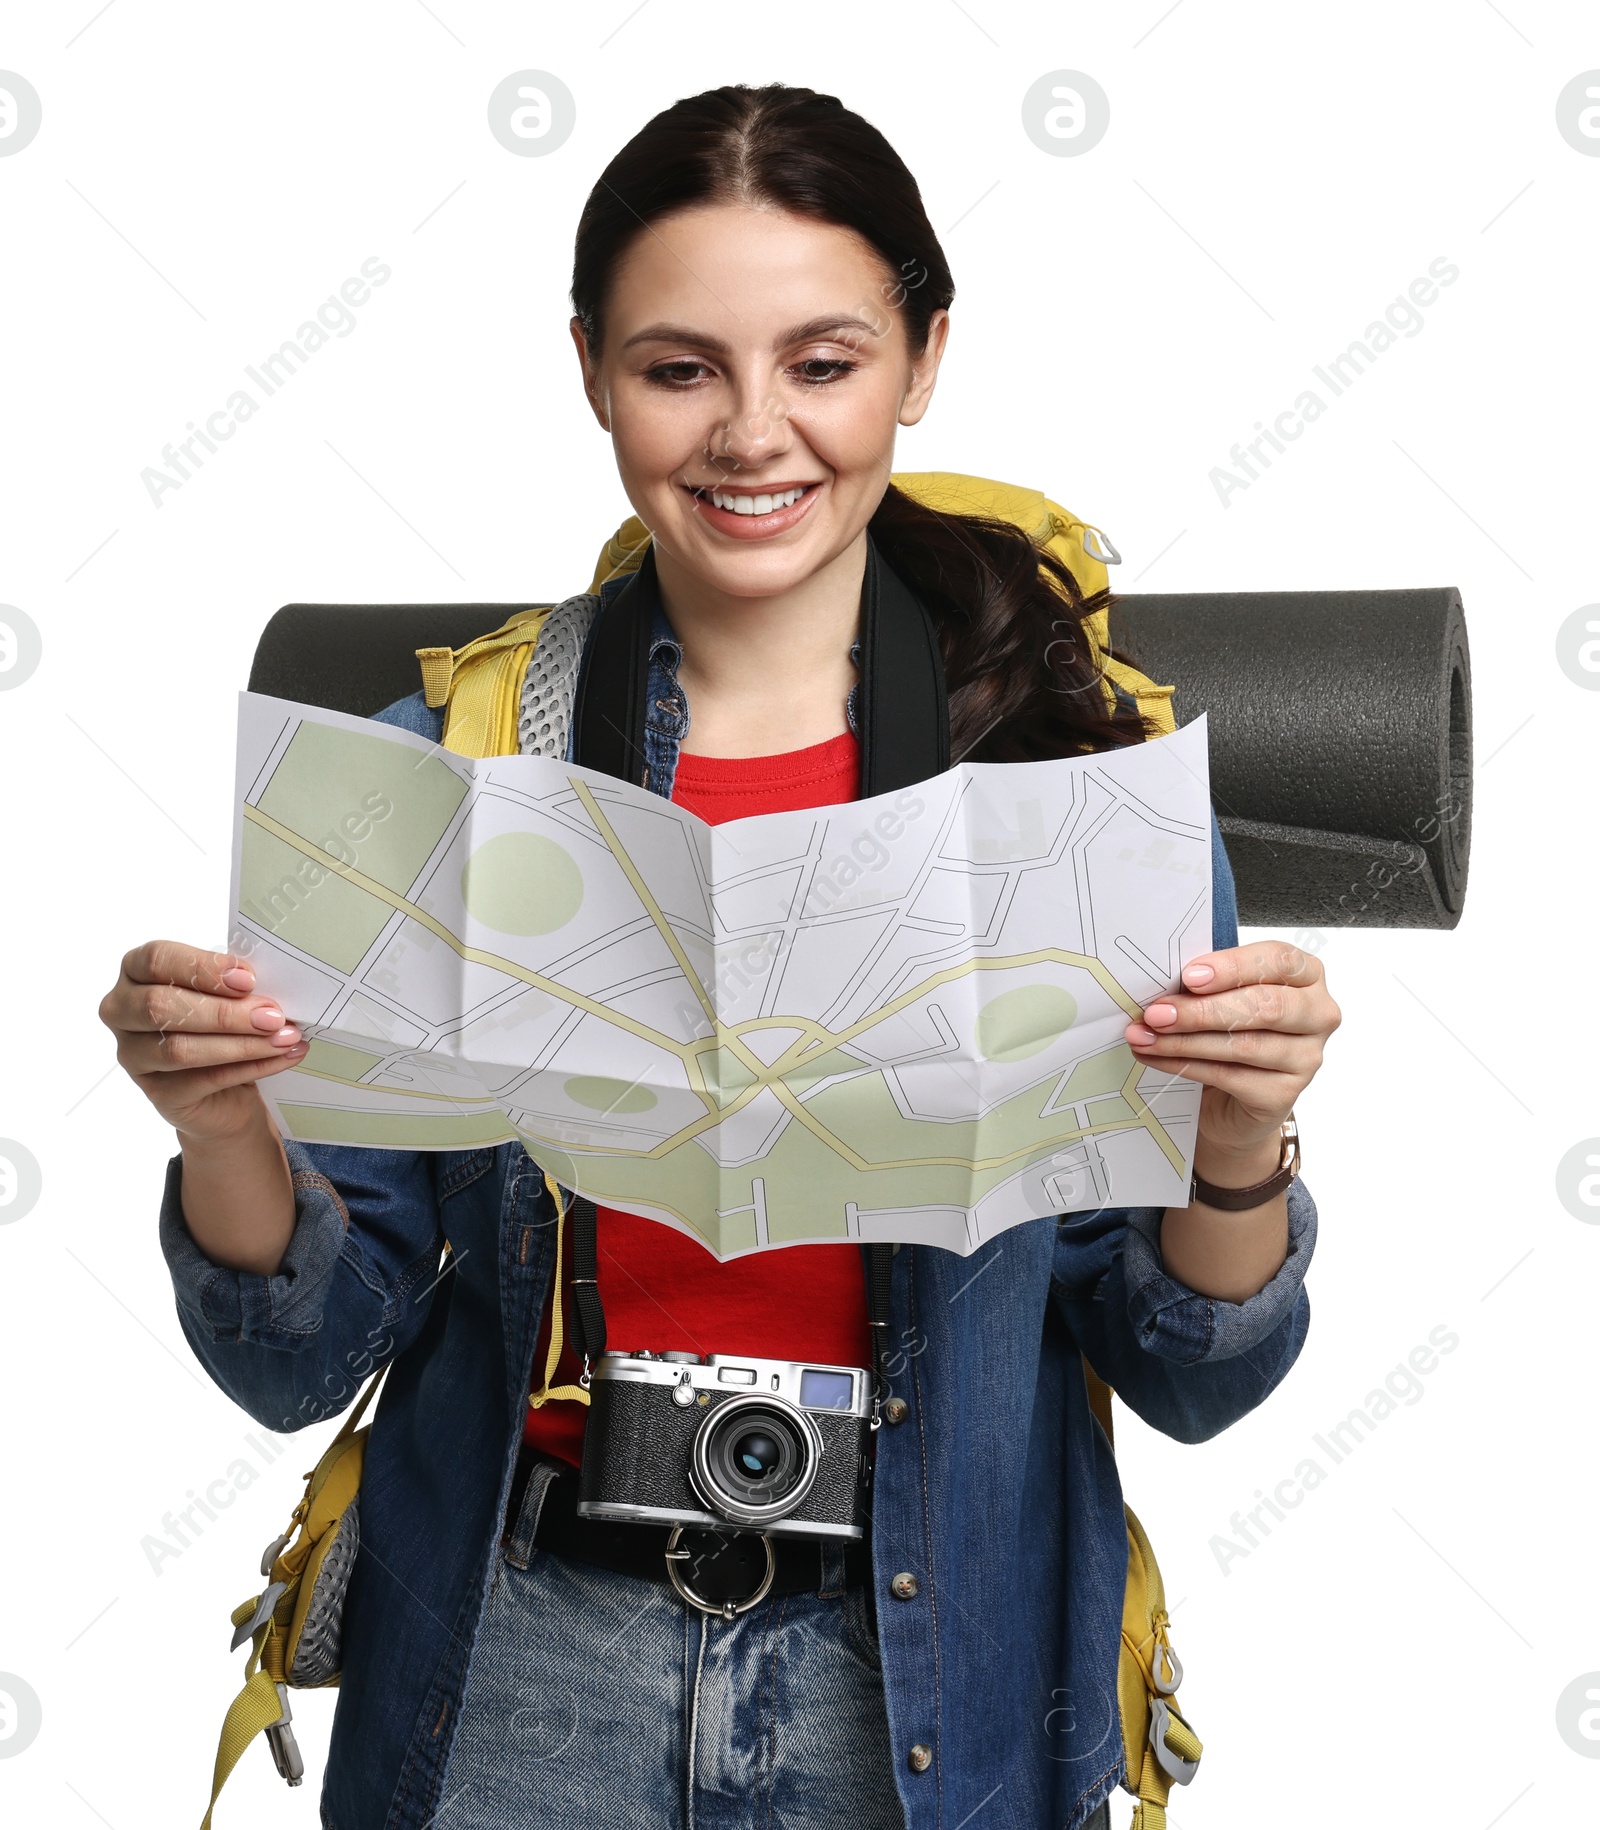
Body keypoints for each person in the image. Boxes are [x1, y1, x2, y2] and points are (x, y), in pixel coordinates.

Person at [99, 83, 1339, 1830]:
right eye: (681, 368)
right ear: (595, 370)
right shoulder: (450, 763)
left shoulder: (1077, 786)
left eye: (823, 364)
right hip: (519, 1657)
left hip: (921, 1676)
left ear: (922, 362)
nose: (755, 432)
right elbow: (295, 1354)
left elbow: (1194, 1372)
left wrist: (1240, 1139)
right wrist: (220, 1118)